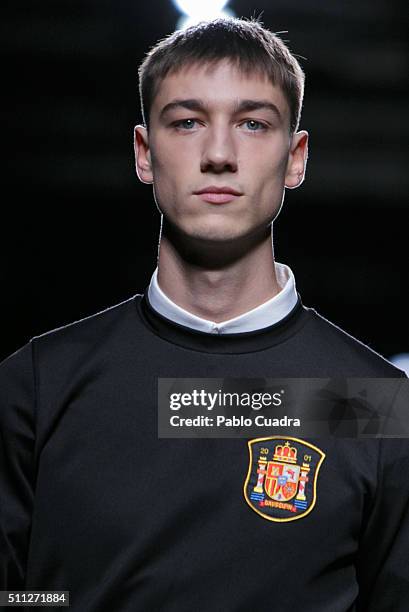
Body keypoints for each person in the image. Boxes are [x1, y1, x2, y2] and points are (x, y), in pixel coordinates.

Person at [0, 17, 408, 612]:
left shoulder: (371, 401)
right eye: (187, 122)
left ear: (296, 159)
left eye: (253, 124)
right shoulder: (37, 385)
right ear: (144, 152)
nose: (218, 154)